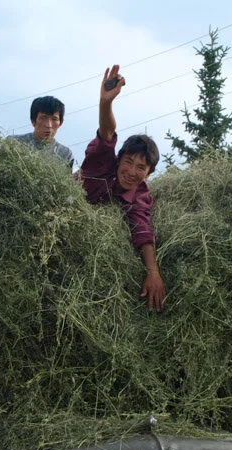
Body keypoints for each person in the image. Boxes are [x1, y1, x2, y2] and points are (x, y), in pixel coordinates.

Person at [78, 65, 166, 312]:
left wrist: (153, 272)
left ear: (149, 173)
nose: (132, 171)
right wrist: (106, 104)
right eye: (128, 162)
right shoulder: (101, 165)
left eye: (141, 167)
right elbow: (107, 135)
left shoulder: (139, 193)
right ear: (119, 159)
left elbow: (142, 228)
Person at [8, 96, 74, 169]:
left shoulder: (65, 154)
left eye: (54, 119)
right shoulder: (13, 143)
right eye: (43, 118)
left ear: (60, 123)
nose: (49, 125)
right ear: (33, 121)